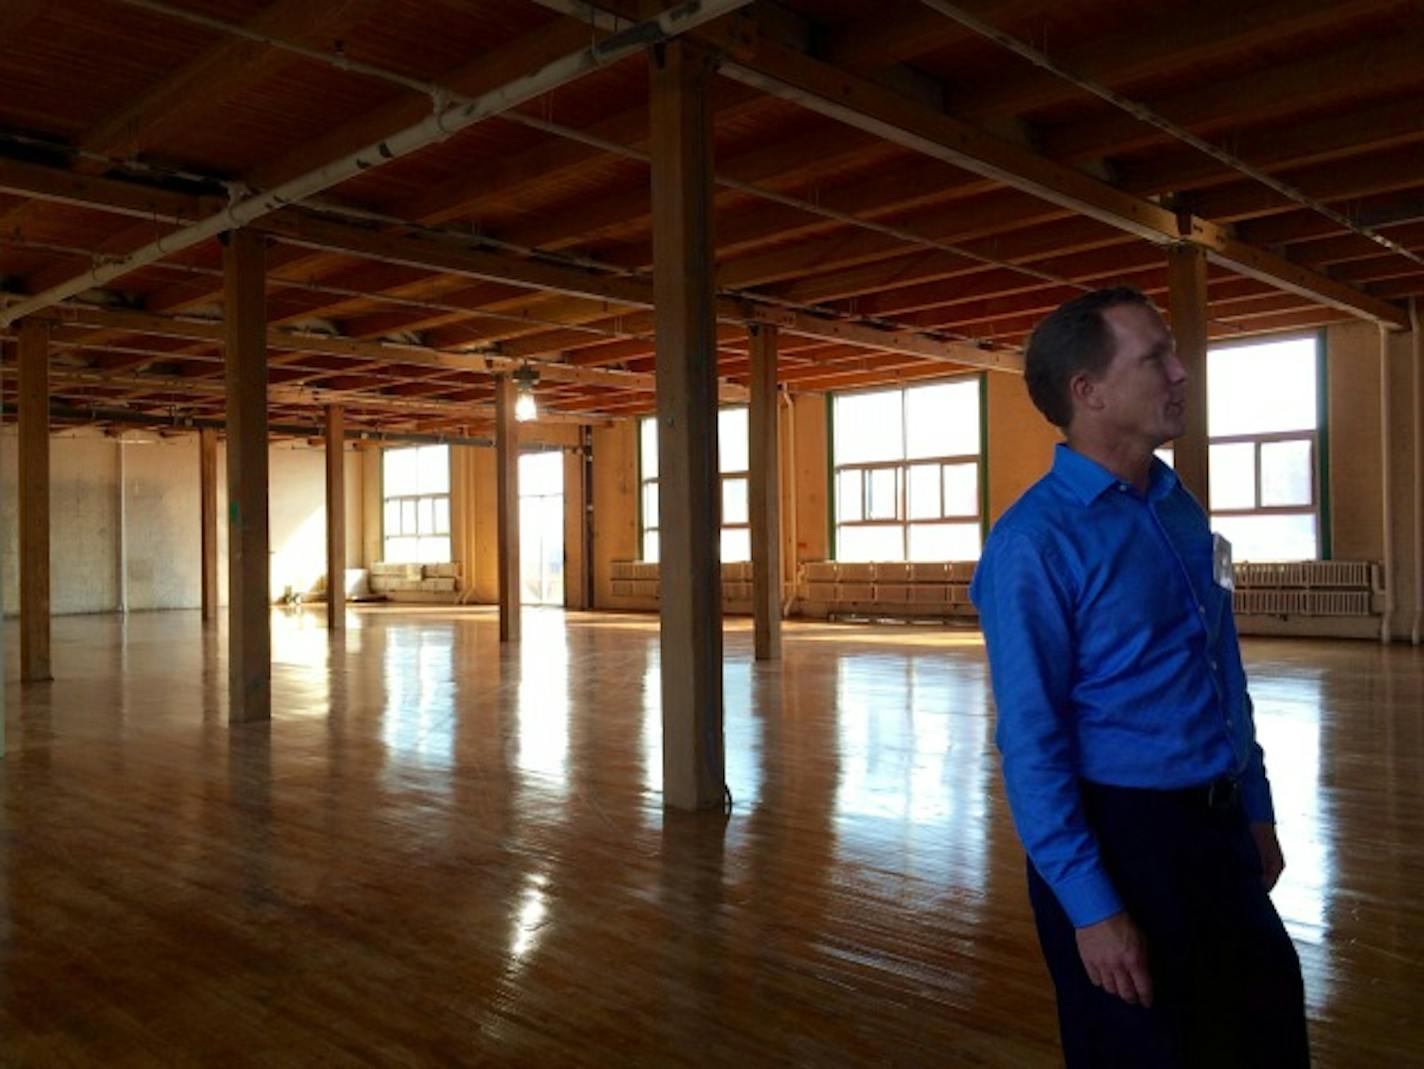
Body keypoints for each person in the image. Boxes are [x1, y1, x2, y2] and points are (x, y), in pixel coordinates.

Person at [969, 287, 1309, 1067]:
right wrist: (1091, 907)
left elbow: (1221, 671)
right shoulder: (1035, 543)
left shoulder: (1177, 507)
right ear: (1088, 392)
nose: (1182, 371)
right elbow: (1031, 739)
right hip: (1122, 842)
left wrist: (1253, 808)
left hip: (1217, 831)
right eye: (1155, 356)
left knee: (1265, 1036)